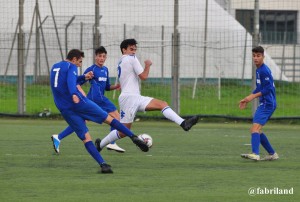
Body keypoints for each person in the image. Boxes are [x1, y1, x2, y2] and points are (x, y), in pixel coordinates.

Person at [50, 49, 149, 174]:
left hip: (65, 109)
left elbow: (66, 82)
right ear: (74, 59)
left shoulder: (55, 67)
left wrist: (83, 77)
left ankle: (103, 165)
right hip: (80, 103)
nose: (80, 64)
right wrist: (74, 94)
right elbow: (71, 83)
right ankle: (133, 137)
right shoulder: (72, 66)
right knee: (110, 119)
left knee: (86, 138)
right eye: (79, 62)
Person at [95, 39, 199, 151]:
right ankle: (100, 145)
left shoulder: (121, 61)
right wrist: (148, 65)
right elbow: (144, 76)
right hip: (129, 99)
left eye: (135, 49)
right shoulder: (131, 58)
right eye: (131, 49)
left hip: (135, 97)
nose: (134, 51)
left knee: (162, 104)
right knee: (123, 131)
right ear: (124, 50)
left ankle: (183, 123)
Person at [52, 46, 125, 153]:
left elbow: (107, 87)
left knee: (81, 122)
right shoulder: (92, 69)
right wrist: (78, 92)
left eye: (104, 56)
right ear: (95, 57)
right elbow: (76, 82)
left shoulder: (105, 70)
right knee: (117, 117)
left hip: (99, 100)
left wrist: (117, 86)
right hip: (96, 99)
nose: (102, 58)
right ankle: (111, 143)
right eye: (100, 56)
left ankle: (58, 137)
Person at [239, 46, 279, 161]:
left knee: (255, 128)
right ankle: (272, 154)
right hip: (266, 103)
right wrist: (248, 98)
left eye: (258, 56)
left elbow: (268, 89)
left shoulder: (264, 71)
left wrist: (252, 96)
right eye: (254, 55)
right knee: (256, 129)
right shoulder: (259, 70)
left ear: (263, 57)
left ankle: (255, 154)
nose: (256, 58)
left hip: (268, 104)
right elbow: (260, 87)